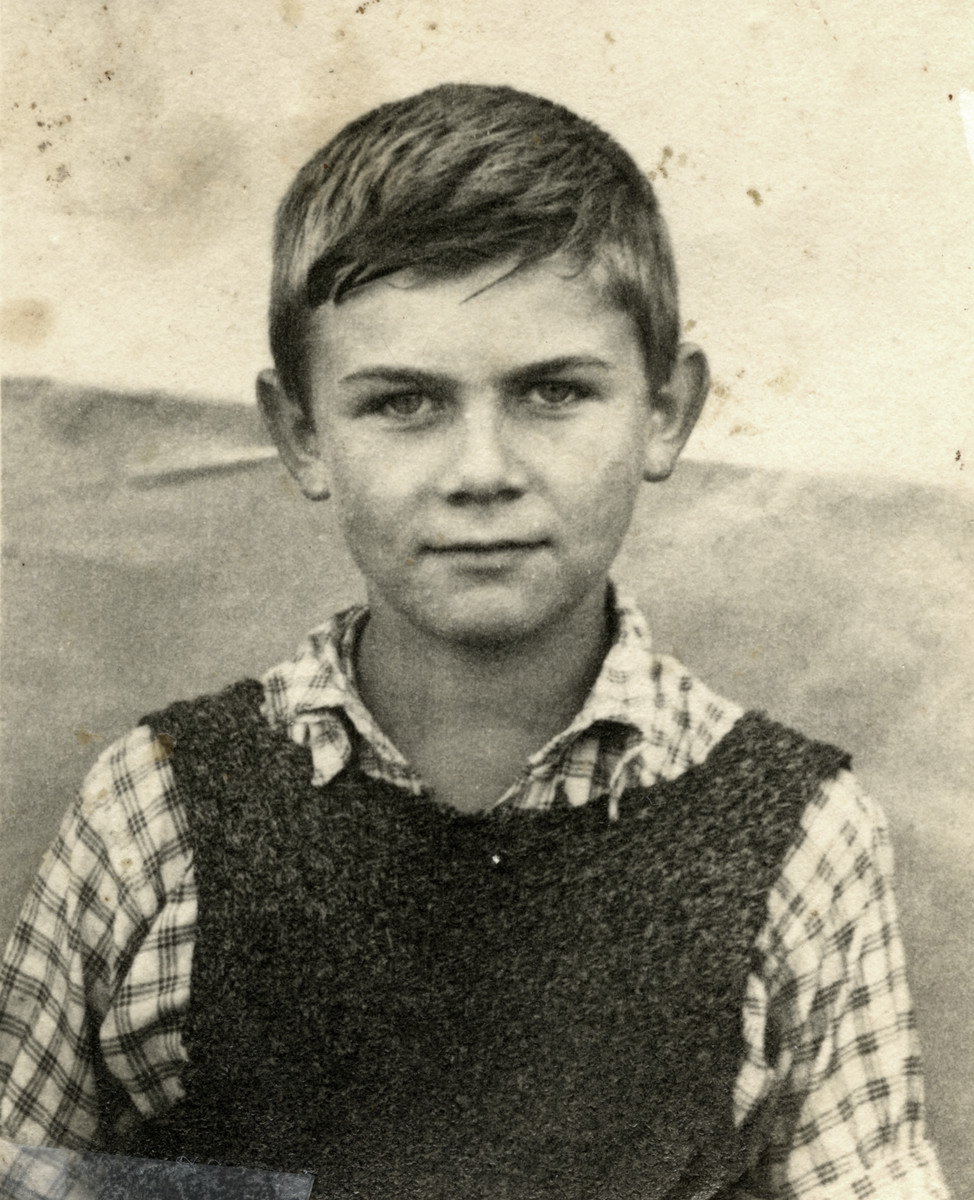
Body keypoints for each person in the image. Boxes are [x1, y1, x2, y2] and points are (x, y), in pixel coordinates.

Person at [0, 84, 951, 1199]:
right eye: (403, 403)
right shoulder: (158, 809)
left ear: (664, 411)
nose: (481, 470)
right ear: (300, 434)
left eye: (552, 392)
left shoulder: (798, 837)